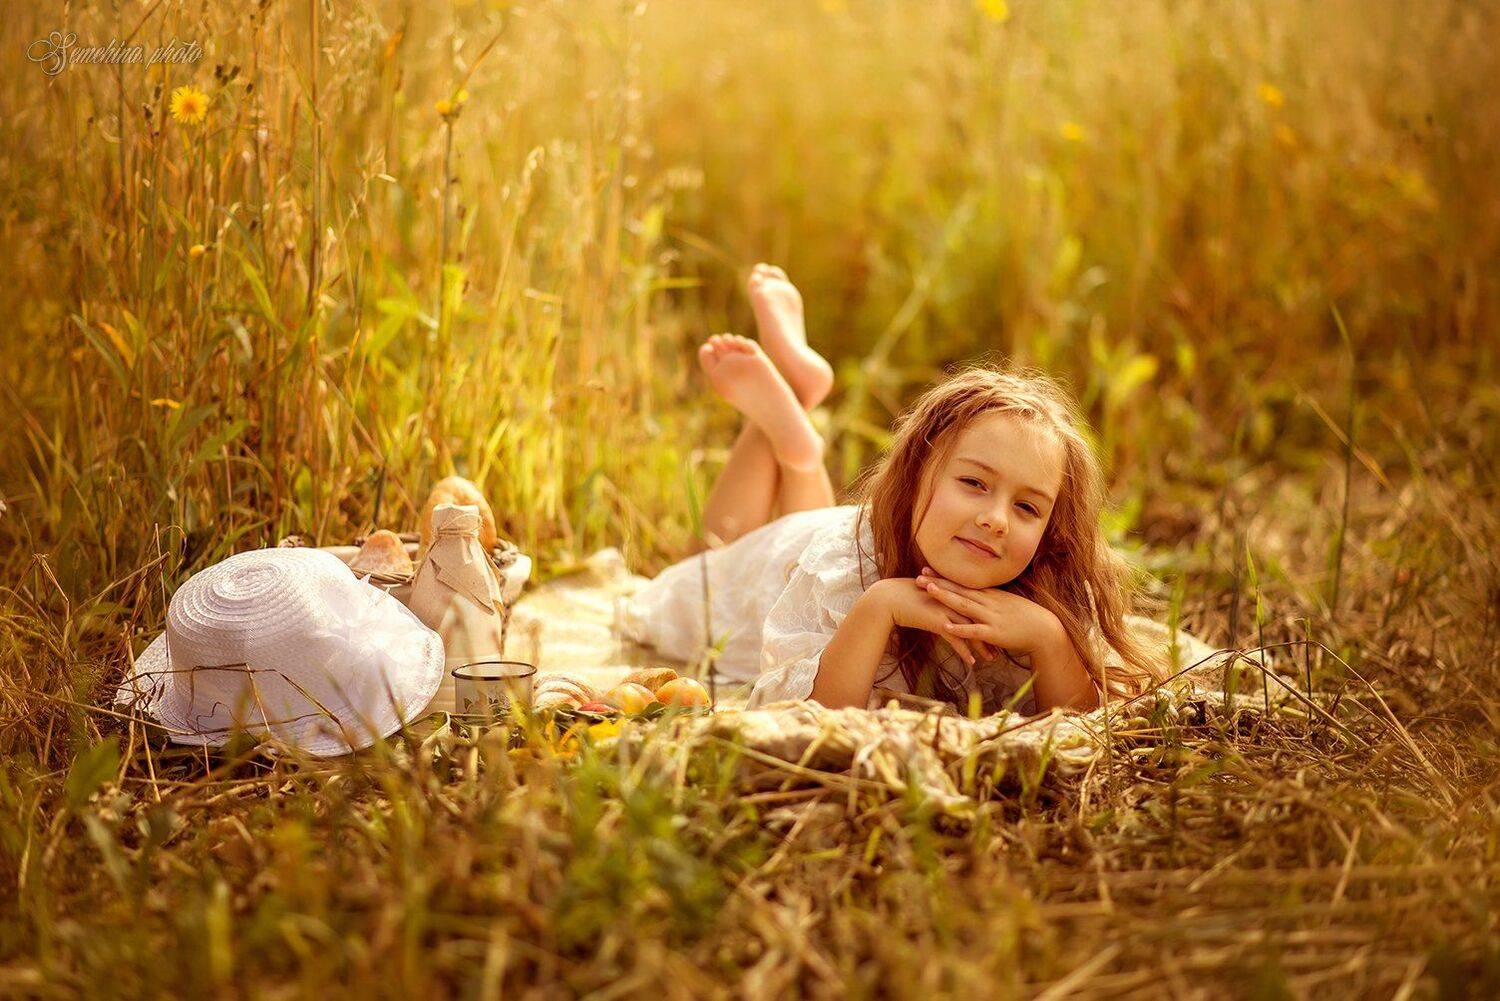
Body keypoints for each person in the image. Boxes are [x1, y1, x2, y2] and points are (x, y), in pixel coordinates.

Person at [618, 264, 1162, 714]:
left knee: (777, 534)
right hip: (785, 563)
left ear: (1051, 532)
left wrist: (1048, 636)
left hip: (810, 543)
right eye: (973, 483)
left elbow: (1084, 722)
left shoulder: (1050, 588)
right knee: (714, 554)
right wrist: (878, 607)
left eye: (1026, 507)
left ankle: (795, 428)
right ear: (914, 477)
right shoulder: (843, 573)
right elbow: (812, 716)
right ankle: (795, 441)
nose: (996, 518)